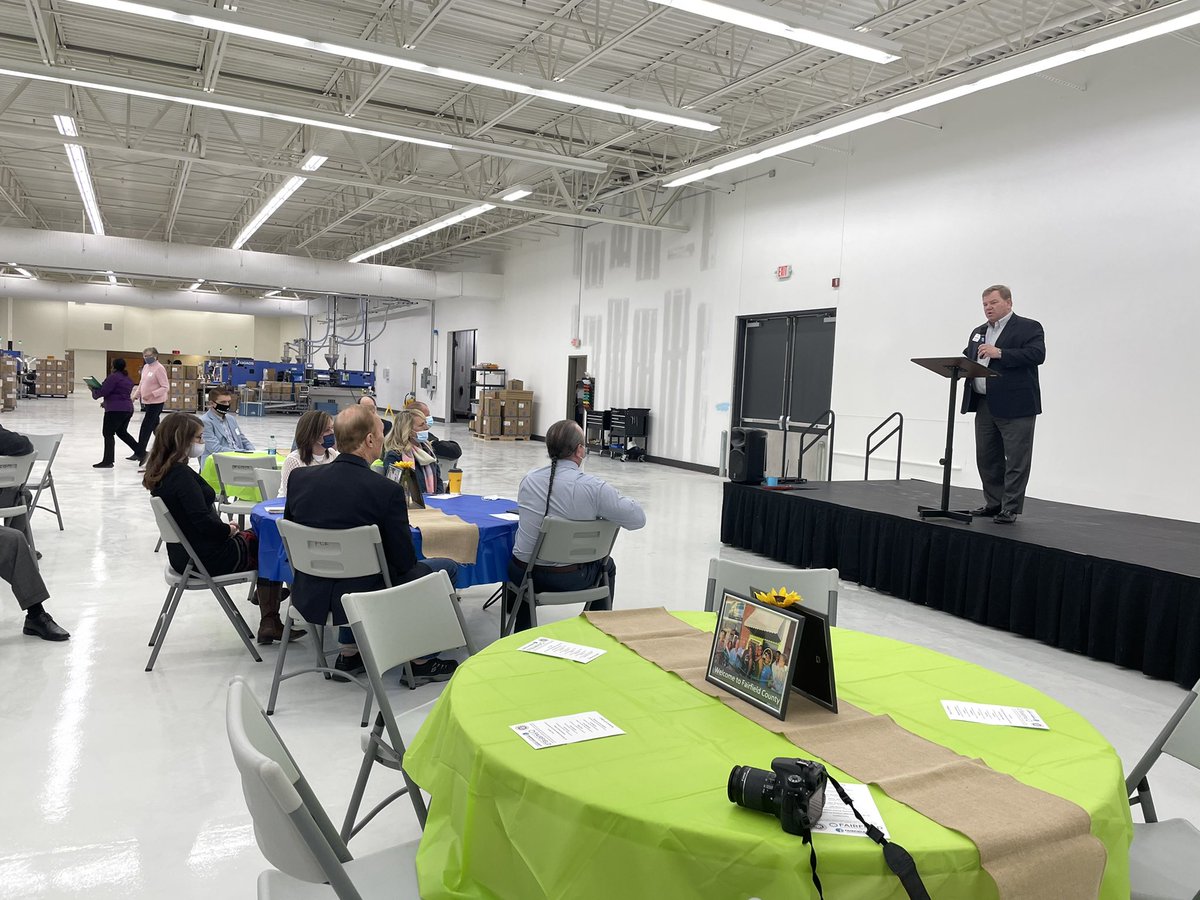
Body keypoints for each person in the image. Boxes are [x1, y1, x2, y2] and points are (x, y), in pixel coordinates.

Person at [284, 405, 460, 683]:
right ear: (368, 440)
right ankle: (421, 659)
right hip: (368, 600)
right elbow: (403, 563)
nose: (382, 439)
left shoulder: (300, 479)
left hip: (309, 592)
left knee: (354, 572)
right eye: (380, 433)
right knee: (446, 567)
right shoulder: (385, 491)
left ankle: (350, 652)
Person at [143, 413, 301, 644]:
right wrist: (228, 530)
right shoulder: (182, 478)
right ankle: (270, 615)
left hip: (184, 556)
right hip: (206, 558)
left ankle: (267, 601)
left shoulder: (162, 474)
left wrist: (226, 528)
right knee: (269, 544)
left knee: (259, 541)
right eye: (198, 437)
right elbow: (202, 521)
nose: (201, 442)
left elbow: (195, 520)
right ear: (182, 440)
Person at [506, 419, 646, 633]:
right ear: (580, 450)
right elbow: (638, 519)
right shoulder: (594, 488)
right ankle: (597, 633)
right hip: (567, 578)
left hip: (523, 573)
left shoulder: (529, 480)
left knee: (528, 557)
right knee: (607, 567)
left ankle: (521, 632)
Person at [961, 284, 1046, 524]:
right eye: (985, 304)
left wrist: (1000, 353)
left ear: (1009, 302)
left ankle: (1010, 508)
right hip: (985, 403)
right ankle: (993, 503)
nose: (988, 307)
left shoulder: (1029, 327)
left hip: (1016, 405)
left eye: (994, 302)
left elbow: (1037, 355)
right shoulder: (978, 331)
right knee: (987, 457)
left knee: (1016, 459)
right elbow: (970, 356)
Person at [90, 358, 140, 469]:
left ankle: (108, 461)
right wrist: (106, 402)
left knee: (108, 433)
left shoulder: (113, 377)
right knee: (122, 432)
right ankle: (142, 453)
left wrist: (93, 390)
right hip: (127, 409)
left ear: (113, 366)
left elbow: (103, 391)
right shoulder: (127, 379)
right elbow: (119, 393)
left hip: (115, 410)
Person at [382, 408, 443, 494]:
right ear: (408, 431)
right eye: (421, 425)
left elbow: (438, 480)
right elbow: (393, 487)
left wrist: (438, 498)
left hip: (433, 500)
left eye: (425, 423)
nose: (426, 427)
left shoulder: (427, 450)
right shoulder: (394, 455)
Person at [279, 409, 337, 497]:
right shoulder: (294, 460)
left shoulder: (334, 455)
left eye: (332, 428)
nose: (332, 432)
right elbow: (290, 495)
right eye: (327, 430)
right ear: (312, 435)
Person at [129, 346, 169, 463]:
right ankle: (167, 447)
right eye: (144, 356)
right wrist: (135, 395)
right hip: (147, 402)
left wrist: (152, 394)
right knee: (156, 428)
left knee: (146, 426)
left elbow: (165, 387)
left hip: (156, 402)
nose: (146, 358)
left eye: (148, 356)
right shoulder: (146, 367)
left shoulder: (159, 368)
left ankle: (140, 452)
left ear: (155, 356)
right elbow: (142, 383)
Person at [199, 386, 254, 465]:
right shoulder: (205, 422)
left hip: (239, 458)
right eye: (223, 402)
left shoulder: (231, 419)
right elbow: (215, 449)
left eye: (228, 402)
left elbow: (242, 439)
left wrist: (252, 451)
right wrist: (240, 453)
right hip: (218, 462)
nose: (227, 405)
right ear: (211, 403)